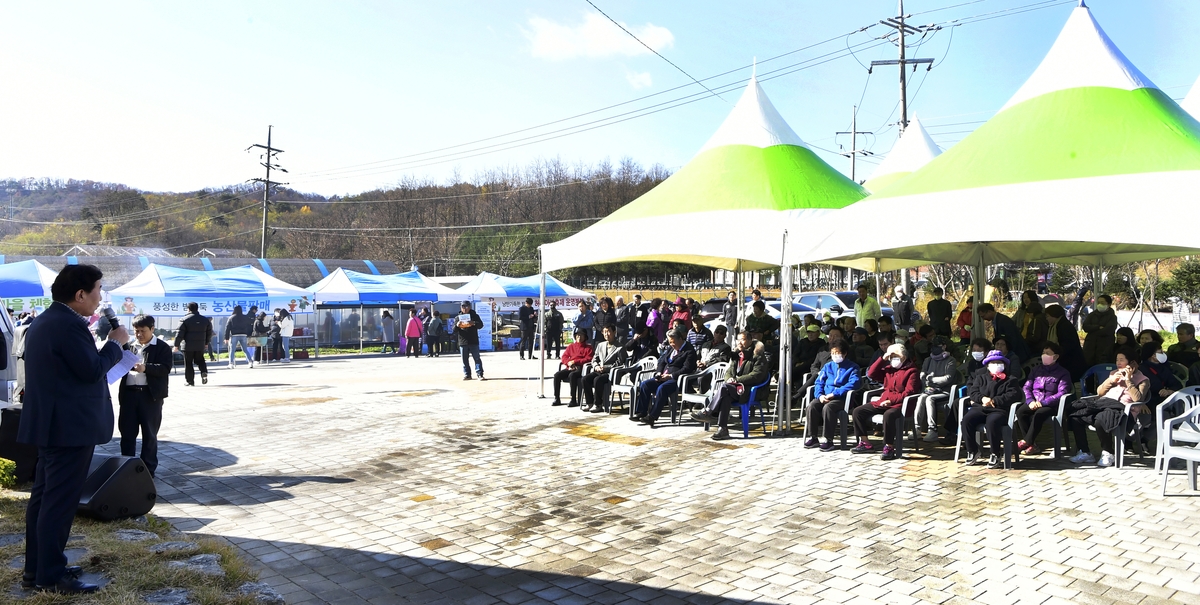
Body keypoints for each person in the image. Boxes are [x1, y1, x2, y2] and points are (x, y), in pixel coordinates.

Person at [19, 264, 130, 594]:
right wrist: (115, 344)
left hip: (54, 425)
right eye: (97, 289)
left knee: (44, 500)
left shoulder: (47, 321)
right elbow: (91, 370)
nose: (100, 297)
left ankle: (37, 569)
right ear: (80, 294)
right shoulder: (68, 326)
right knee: (58, 504)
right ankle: (51, 576)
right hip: (69, 429)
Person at [1068, 347, 1150, 466]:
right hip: (1104, 405)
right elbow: (1100, 392)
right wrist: (1110, 381)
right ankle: (1085, 452)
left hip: (1124, 412)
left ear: (1132, 363)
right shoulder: (1113, 374)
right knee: (1077, 417)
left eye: (1122, 360)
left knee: (1100, 420)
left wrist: (1128, 380)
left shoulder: (1143, 380)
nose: (1118, 363)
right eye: (1117, 360)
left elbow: (1138, 399)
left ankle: (1108, 452)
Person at [690, 332, 769, 441]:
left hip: (750, 390)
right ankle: (723, 430)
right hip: (733, 389)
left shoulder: (758, 356)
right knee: (725, 396)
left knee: (724, 388)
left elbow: (757, 376)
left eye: (743, 340)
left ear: (750, 341)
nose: (739, 342)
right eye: (738, 340)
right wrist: (730, 379)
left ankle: (708, 411)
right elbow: (728, 372)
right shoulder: (736, 355)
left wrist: (736, 380)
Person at [118, 315, 171, 476]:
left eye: (143, 330)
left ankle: (148, 470)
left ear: (152, 329)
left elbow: (165, 368)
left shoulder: (161, 346)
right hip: (129, 394)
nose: (139, 334)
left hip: (150, 395)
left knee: (149, 434)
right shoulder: (128, 347)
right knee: (127, 433)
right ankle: (126, 467)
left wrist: (145, 368)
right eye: (136, 331)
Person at [851, 344, 921, 459]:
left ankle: (889, 446)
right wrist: (882, 359)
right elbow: (871, 374)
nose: (892, 359)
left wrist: (891, 401)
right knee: (858, 411)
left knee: (889, 415)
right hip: (884, 402)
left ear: (903, 357)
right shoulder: (888, 369)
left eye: (895, 356)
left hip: (901, 405)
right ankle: (865, 443)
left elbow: (909, 392)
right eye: (890, 357)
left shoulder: (912, 371)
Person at [959, 350, 1025, 468]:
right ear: (988, 365)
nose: (996, 365)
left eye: (999, 362)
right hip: (980, 407)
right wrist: (982, 398)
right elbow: (973, 392)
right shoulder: (981, 378)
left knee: (992, 422)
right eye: (993, 362)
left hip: (999, 410)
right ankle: (973, 450)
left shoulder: (1011, 380)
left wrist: (994, 401)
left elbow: (1014, 395)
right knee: (966, 420)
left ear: (1004, 364)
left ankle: (995, 453)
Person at [1014, 343, 1073, 455]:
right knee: (1021, 412)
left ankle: (1026, 441)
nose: (1044, 355)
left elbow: (1062, 392)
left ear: (1055, 357)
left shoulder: (1063, 373)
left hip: (1050, 405)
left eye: (1048, 353)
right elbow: (1027, 386)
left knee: (1039, 414)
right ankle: (1032, 445)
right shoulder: (1036, 370)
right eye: (1043, 353)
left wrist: (1044, 402)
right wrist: (1030, 401)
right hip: (1034, 401)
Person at [803, 340, 861, 451]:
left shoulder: (853, 367)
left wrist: (835, 394)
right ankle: (813, 437)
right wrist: (819, 395)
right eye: (833, 353)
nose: (835, 356)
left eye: (837, 353)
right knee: (812, 406)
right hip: (824, 396)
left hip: (841, 399)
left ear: (844, 354)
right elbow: (819, 382)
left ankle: (828, 439)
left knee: (828, 408)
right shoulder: (828, 366)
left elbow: (853, 383)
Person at [633, 330, 696, 427]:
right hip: (663, 377)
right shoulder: (671, 349)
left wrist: (670, 376)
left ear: (680, 339)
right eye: (670, 342)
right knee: (645, 384)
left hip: (676, 380)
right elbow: (662, 362)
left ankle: (652, 417)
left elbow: (687, 369)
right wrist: (659, 373)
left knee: (661, 389)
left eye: (673, 342)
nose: (671, 344)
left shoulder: (689, 351)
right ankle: (641, 412)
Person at [917, 337, 958, 442]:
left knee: (930, 399)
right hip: (930, 389)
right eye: (933, 346)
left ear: (944, 346)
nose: (935, 349)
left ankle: (933, 430)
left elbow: (947, 378)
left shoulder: (951, 360)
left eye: (938, 346)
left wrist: (931, 379)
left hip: (945, 392)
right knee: (922, 397)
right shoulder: (928, 360)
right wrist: (928, 383)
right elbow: (922, 374)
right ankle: (917, 428)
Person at [582, 325, 626, 413]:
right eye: (604, 332)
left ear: (614, 332)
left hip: (611, 374)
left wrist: (606, 368)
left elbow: (620, 363)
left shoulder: (620, 347)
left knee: (597, 380)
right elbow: (594, 359)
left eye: (608, 331)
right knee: (585, 379)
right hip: (599, 370)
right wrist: (596, 366)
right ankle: (589, 403)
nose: (606, 334)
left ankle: (598, 404)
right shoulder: (600, 345)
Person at [552, 328, 594, 407]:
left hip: (581, 368)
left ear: (585, 337)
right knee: (557, 375)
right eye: (577, 335)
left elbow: (589, 359)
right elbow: (564, 356)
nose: (579, 337)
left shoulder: (588, 348)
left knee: (573, 375)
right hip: (570, 367)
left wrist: (575, 362)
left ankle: (573, 399)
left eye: (581, 335)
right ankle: (557, 398)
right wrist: (568, 363)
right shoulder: (571, 346)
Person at [174, 302, 212, 386]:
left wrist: (176, 345)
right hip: (200, 345)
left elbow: (179, 334)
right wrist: (206, 343)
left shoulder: (184, 319)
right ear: (197, 308)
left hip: (188, 346)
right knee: (200, 360)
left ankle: (190, 381)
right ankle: (204, 372)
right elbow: (209, 333)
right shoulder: (205, 320)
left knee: (188, 363)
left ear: (188, 309)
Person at [1045, 304, 1086, 380]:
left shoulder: (1064, 326)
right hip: (1067, 361)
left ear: (1054, 315)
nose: (1046, 318)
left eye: (1047, 316)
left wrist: (1056, 354)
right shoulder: (1057, 325)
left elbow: (1068, 346)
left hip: (1071, 363)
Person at [1139, 341, 1181, 408]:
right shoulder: (1142, 369)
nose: (1163, 354)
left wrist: (1169, 391)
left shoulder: (1163, 368)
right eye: (1161, 352)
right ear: (1153, 355)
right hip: (1150, 402)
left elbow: (1176, 384)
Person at [1082, 294, 1118, 366]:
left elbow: (1108, 330)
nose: (1100, 304)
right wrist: (1098, 327)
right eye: (1098, 302)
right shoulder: (1092, 315)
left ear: (1109, 304)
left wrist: (1092, 331)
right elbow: (1085, 327)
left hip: (1104, 347)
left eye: (1102, 302)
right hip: (1090, 347)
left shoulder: (1112, 317)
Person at [1012, 290, 1049, 358]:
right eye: (1024, 298)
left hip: (1033, 342)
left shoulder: (1041, 311)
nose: (1025, 300)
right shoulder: (1021, 311)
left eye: (1027, 297)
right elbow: (1012, 322)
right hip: (1022, 338)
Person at [454, 302, 485, 380]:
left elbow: (481, 325)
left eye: (466, 306)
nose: (465, 308)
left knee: (477, 358)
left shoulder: (474, 316)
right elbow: (454, 329)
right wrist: (457, 325)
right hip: (463, 341)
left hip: (473, 340)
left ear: (470, 307)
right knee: (464, 359)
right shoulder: (458, 317)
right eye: (463, 306)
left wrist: (474, 323)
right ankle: (467, 374)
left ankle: (479, 374)